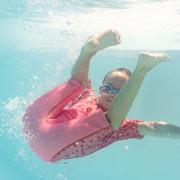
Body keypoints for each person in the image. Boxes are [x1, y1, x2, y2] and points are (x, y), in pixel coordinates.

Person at [23, 29, 180, 163]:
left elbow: (152, 127)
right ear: (100, 89)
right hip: (50, 143)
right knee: (112, 120)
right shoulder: (116, 123)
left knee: (77, 83)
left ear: (125, 95)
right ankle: (142, 69)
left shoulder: (88, 100)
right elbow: (150, 127)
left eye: (118, 92)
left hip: (29, 120)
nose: (111, 94)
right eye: (108, 88)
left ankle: (88, 52)